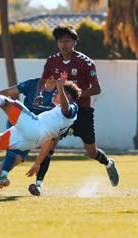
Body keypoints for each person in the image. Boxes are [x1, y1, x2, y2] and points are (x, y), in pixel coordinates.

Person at [28, 25, 119, 196]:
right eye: (61, 41)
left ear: (74, 42)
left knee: (91, 152)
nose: (64, 44)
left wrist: (75, 96)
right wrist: (40, 93)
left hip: (82, 111)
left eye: (67, 40)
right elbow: (44, 81)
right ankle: (38, 185)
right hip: (60, 113)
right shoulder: (52, 61)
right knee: (50, 144)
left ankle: (108, 163)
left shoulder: (85, 62)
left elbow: (96, 88)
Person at [0, 71, 80, 193]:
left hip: (34, 127)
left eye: (56, 92)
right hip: (32, 141)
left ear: (68, 96)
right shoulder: (58, 115)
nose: (54, 94)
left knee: (5, 101)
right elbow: (50, 141)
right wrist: (37, 163)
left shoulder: (72, 107)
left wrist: (61, 88)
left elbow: (66, 108)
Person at [0, 76, 58, 189]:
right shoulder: (32, 84)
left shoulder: (59, 93)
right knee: (9, 150)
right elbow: (7, 92)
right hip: (19, 120)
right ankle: (3, 176)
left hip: (34, 130)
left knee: (14, 161)